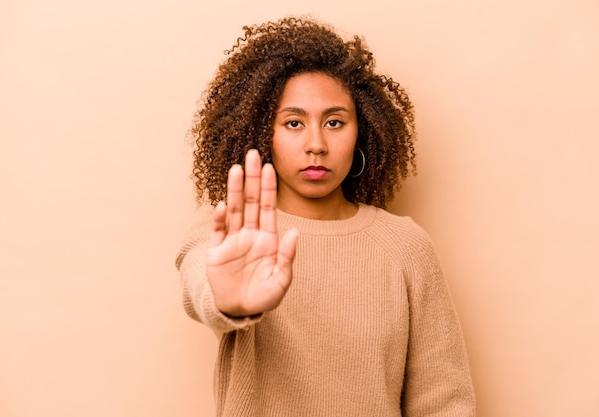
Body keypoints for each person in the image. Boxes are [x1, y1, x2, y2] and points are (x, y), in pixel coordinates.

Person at [176, 16, 476, 417]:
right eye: (294, 123)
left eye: (334, 122)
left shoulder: (406, 246)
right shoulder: (233, 229)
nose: (316, 144)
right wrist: (229, 302)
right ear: (263, 134)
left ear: (362, 132)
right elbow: (202, 281)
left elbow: (443, 402)